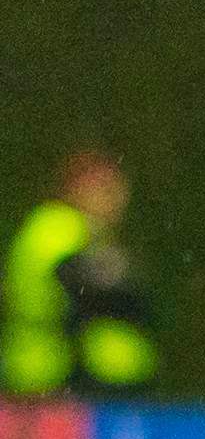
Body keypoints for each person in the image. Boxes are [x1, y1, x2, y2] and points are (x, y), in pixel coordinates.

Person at [6, 148, 157, 400]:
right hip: (56, 377)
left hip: (49, 374)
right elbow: (86, 291)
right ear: (77, 188)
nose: (117, 199)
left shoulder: (65, 229)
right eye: (104, 189)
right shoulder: (59, 227)